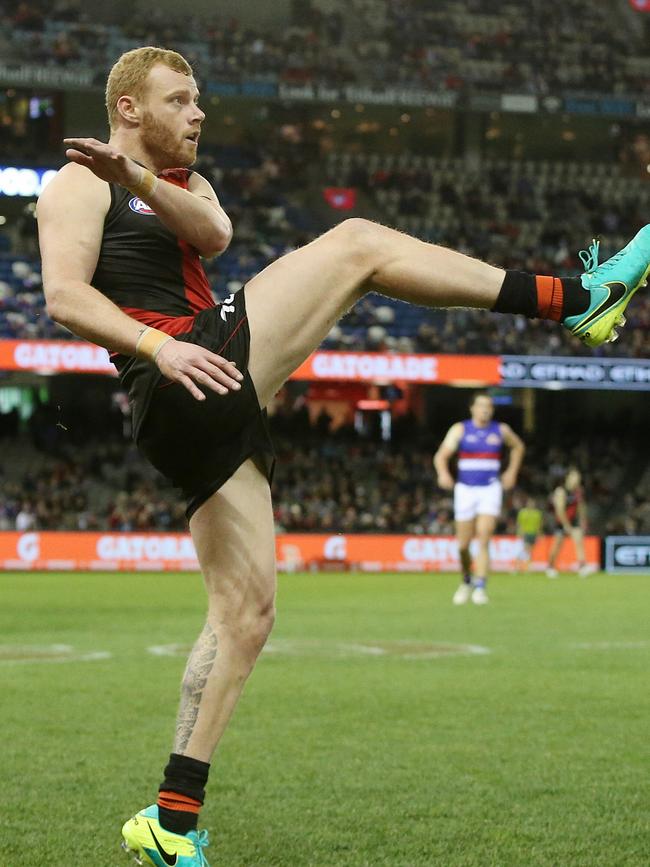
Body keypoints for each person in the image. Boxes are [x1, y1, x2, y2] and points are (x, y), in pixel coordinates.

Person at [35, 46, 649, 867]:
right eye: (180, 101)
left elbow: (214, 234)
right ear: (128, 109)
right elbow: (64, 297)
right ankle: (579, 301)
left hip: (214, 396)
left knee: (244, 616)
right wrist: (158, 344)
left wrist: (143, 180)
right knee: (357, 242)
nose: (200, 113)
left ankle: (170, 818)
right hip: (182, 367)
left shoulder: (183, 187)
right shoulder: (76, 182)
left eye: (198, 99)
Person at [433, 393, 525, 605]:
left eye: (489, 406)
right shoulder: (460, 429)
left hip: (490, 489)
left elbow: (518, 447)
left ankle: (481, 587)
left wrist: (511, 472)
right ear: (472, 408)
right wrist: (443, 473)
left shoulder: (500, 430)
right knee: (463, 545)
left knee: (484, 537)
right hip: (465, 489)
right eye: (481, 406)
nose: (485, 410)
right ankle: (466, 580)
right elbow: (440, 456)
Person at [546, 467, 590, 577]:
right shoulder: (561, 491)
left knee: (579, 541)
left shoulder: (578, 491)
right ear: (568, 478)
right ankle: (550, 567)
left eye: (578, 477)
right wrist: (566, 525)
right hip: (561, 521)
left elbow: (580, 506)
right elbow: (559, 510)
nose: (577, 479)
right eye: (575, 476)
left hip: (573, 520)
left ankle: (582, 566)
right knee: (557, 545)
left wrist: (583, 520)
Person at [516, 496, 543, 572]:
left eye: (532, 503)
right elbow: (519, 523)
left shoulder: (537, 513)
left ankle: (525, 565)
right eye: (530, 503)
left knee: (529, 551)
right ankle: (521, 564)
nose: (531, 504)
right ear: (527, 504)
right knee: (526, 549)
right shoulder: (523, 512)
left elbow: (539, 525)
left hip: (533, 534)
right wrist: (520, 532)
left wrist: (539, 534)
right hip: (526, 533)